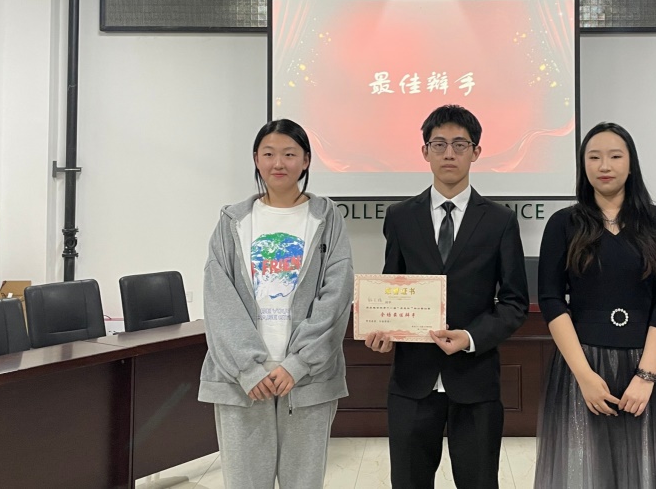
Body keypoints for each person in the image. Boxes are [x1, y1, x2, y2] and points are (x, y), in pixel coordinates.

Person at [364, 105, 529, 489]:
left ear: (476, 152)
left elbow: (514, 302)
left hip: (475, 379)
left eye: (459, 144)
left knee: (479, 482)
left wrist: (470, 337)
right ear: (425, 152)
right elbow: (393, 286)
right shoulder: (400, 217)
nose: (449, 153)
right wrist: (382, 330)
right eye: (439, 144)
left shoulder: (500, 220)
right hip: (412, 381)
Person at [535, 122, 656, 488]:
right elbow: (551, 300)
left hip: (646, 364)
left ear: (631, 163)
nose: (604, 165)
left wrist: (646, 377)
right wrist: (584, 376)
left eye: (615, 156)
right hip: (582, 366)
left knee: (646, 472)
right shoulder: (563, 224)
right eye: (594, 157)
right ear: (583, 165)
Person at [199, 119, 354, 489]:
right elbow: (219, 299)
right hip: (242, 381)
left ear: (306, 160)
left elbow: (336, 297)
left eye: (289, 154)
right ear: (256, 159)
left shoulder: (327, 218)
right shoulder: (233, 221)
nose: (278, 163)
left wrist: (299, 363)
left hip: (308, 378)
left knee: (304, 482)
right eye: (268, 154)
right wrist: (248, 369)